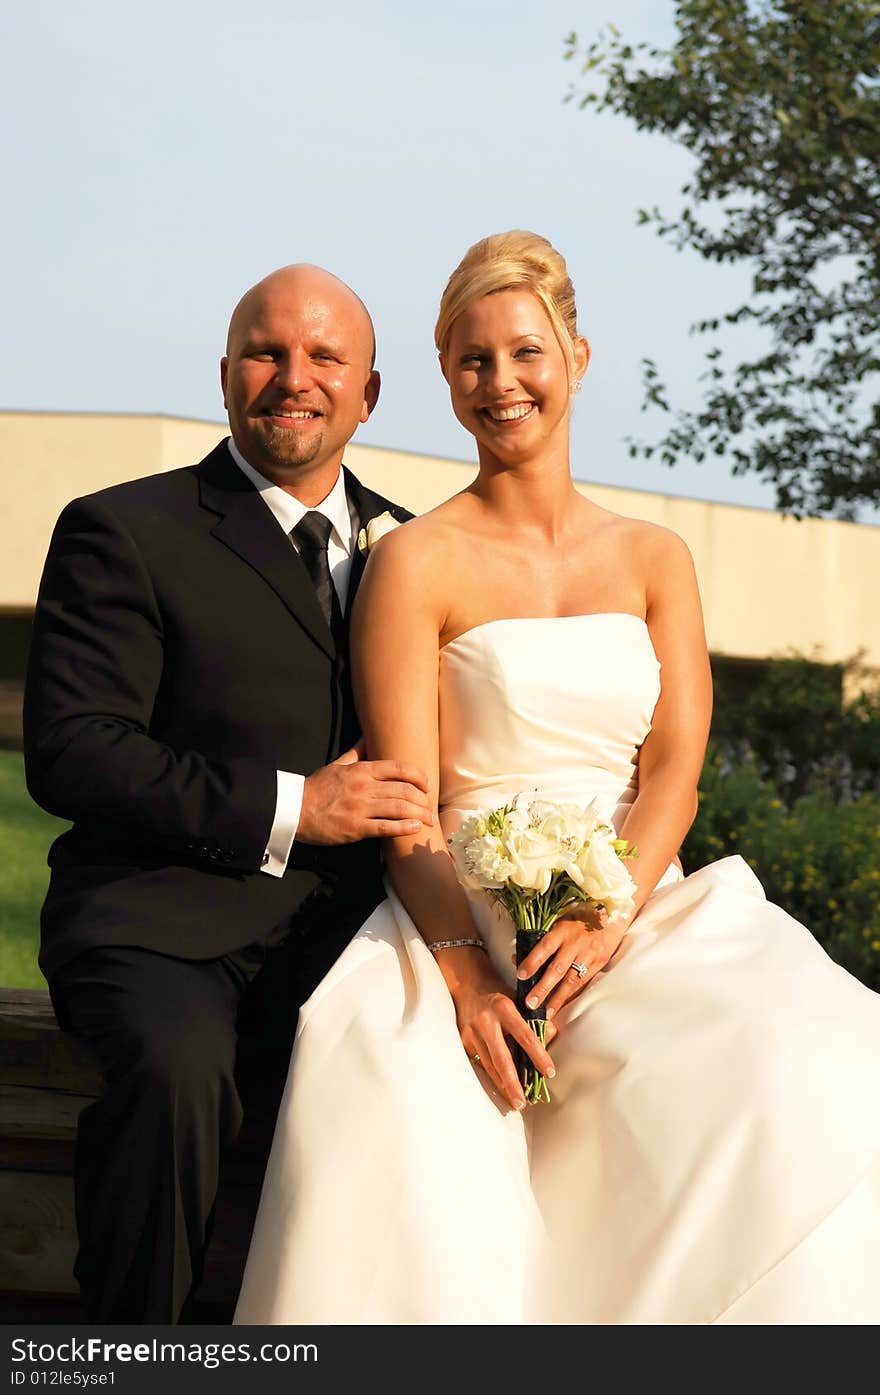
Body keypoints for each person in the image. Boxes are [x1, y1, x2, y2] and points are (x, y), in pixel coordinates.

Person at [234, 231, 880, 1325]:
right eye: (472, 362)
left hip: (633, 896)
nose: (502, 384)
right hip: (461, 904)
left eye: (525, 353)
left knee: (804, 1061)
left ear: (576, 356)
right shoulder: (414, 561)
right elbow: (408, 805)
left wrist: (611, 906)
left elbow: (674, 767)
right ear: (445, 382)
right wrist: (466, 969)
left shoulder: (653, 558)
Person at [22, 263, 432, 1324]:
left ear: (369, 393)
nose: (292, 378)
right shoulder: (124, 528)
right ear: (224, 375)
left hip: (360, 936)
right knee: (178, 1078)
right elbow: (74, 751)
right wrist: (298, 808)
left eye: (324, 357)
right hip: (160, 923)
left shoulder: (424, 547)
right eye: (266, 350)